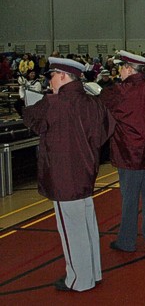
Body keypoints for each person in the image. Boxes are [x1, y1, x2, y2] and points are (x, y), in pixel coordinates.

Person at [23, 57, 113, 291]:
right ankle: (93, 271)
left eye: (52, 76)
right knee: (87, 224)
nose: (50, 82)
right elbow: (106, 130)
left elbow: (32, 118)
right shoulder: (93, 103)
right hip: (85, 171)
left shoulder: (54, 104)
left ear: (63, 75)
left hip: (64, 175)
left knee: (71, 229)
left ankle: (78, 279)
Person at [99, 50, 145, 252]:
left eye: (120, 68)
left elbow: (101, 105)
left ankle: (127, 240)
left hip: (129, 153)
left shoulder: (118, 92)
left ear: (128, 69)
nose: (118, 73)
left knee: (130, 200)